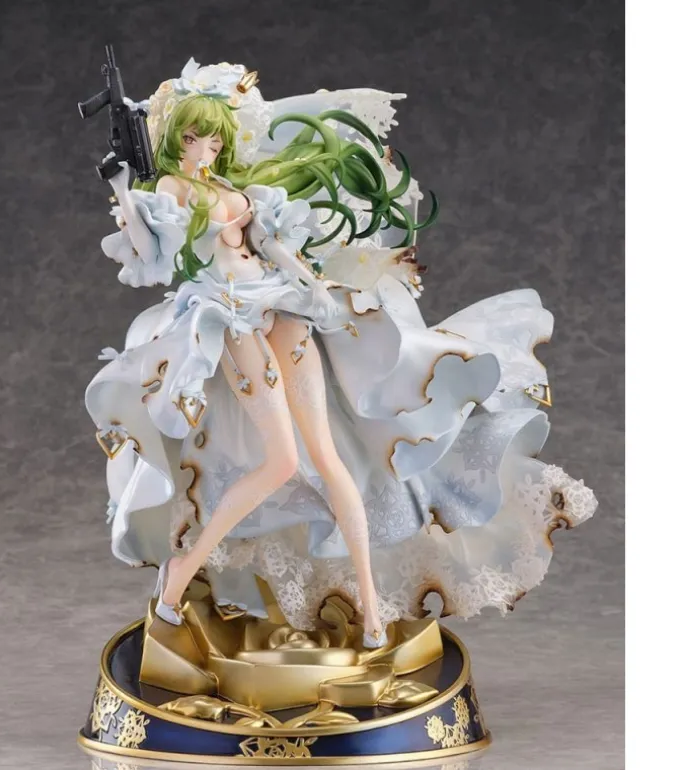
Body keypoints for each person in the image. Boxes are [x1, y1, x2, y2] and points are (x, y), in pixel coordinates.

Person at [85, 59, 597, 650]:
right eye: (195, 139)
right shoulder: (171, 190)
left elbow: (271, 244)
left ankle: (372, 610)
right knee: (281, 462)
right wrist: (122, 188)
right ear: (178, 137)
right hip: (232, 318)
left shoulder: (231, 189)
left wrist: (315, 286)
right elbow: (152, 257)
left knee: (331, 460)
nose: (205, 149)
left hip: (284, 306)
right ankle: (180, 576)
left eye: (215, 140)